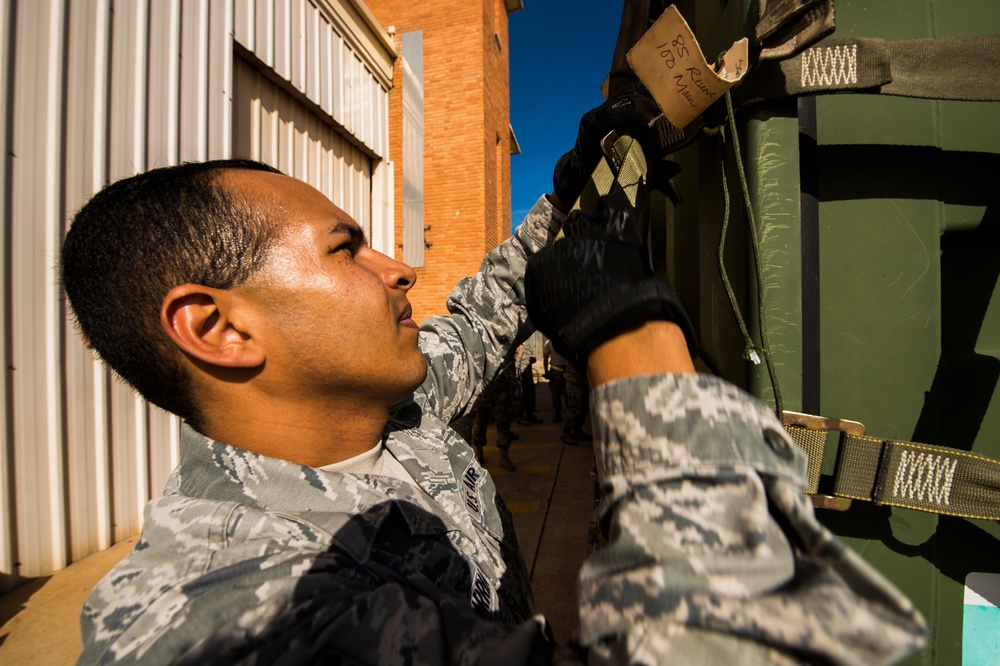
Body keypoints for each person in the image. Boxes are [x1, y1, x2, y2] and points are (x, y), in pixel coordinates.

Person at [62, 87, 925, 664]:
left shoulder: (388, 411)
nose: (397, 267)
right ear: (217, 327)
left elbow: (486, 312)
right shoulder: (233, 620)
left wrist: (569, 198)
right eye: (345, 249)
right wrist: (634, 332)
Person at [471, 360, 519, 471]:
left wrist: (512, 387)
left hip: (501, 392)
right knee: (479, 423)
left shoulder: (504, 346)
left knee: (503, 423)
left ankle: (504, 457)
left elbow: (510, 366)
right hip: (483, 392)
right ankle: (479, 454)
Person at [542, 338, 567, 422]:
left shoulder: (566, 338)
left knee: (566, 394)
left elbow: (545, 357)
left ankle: (565, 414)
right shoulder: (549, 342)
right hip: (556, 371)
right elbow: (545, 357)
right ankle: (558, 414)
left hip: (566, 371)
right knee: (556, 394)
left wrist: (546, 371)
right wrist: (546, 371)